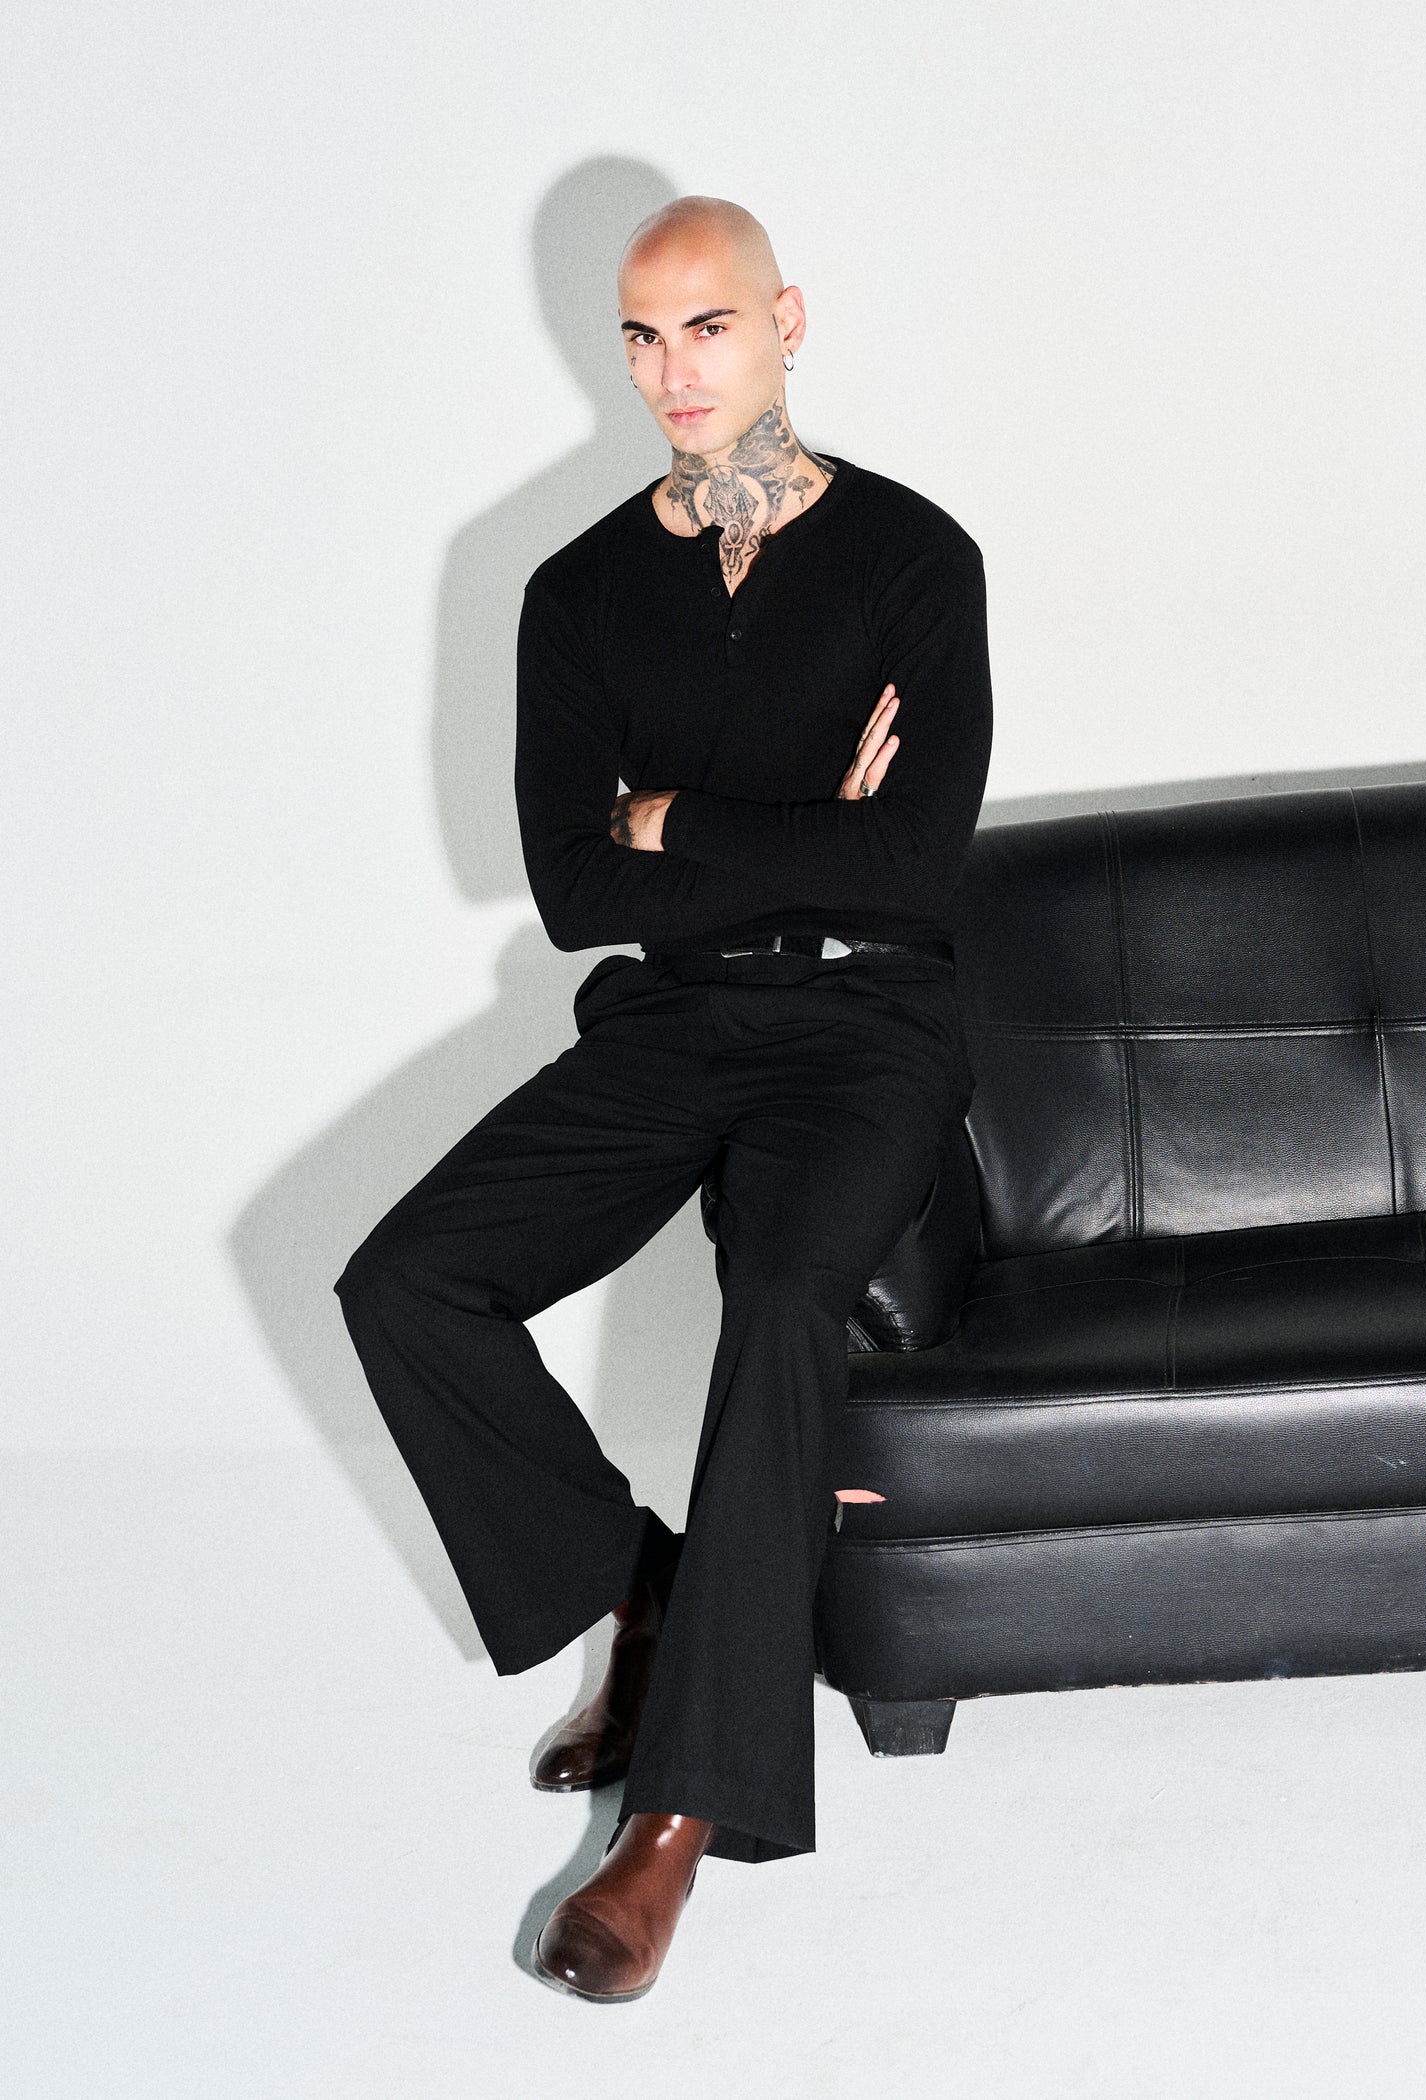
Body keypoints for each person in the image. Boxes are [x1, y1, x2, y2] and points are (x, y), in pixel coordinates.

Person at [333, 194, 992, 2003]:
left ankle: (680, 1821)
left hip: (870, 1025)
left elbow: (914, 867)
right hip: (671, 1021)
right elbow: (570, 891)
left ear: (786, 321)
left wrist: (670, 818)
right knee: (408, 1285)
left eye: (708, 326)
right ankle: (644, 1590)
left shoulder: (915, 559)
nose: (674, 370)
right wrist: (798, 836)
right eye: (642, 336)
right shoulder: (578, 592)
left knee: (779, 1299)